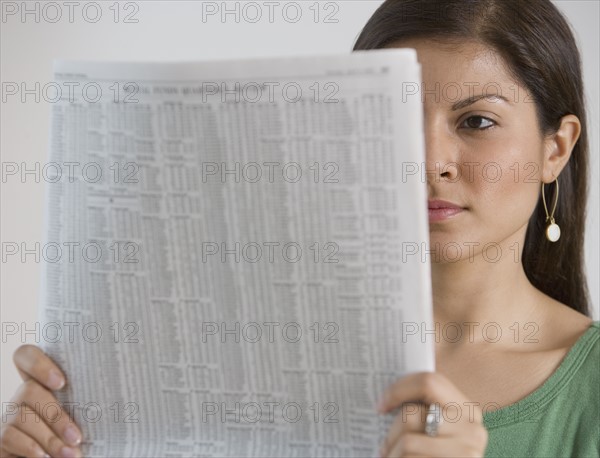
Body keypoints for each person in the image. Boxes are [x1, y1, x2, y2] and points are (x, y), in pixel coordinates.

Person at [1, 0, 598, 457]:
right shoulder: (240, 351)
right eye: (396, 115)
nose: (428, 158)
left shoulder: (587, 391)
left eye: (477, 121)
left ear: (555, 148)